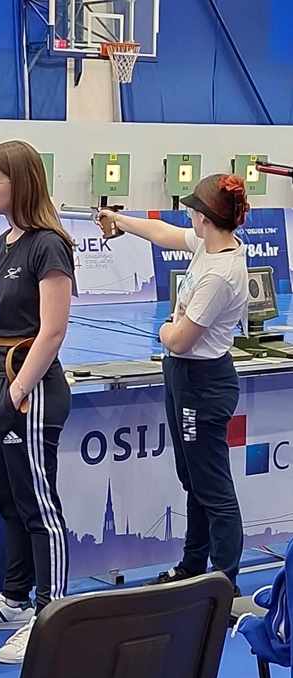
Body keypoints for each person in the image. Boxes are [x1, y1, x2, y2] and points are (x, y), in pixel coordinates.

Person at [0, 140, 76, 663]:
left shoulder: (49, 246)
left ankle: (51, 614)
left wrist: (18, 390)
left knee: (38, 505)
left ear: (19, 183)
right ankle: (15, 596)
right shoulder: (5, 241)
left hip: (28, 384)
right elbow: (0, 318)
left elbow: (52, 332)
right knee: (7, 499)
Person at [99, 174, 249, 593]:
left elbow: (180, 338)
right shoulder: (209, 245)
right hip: (185, 376)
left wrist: (165, 327)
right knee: (194, 480)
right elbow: (162, 233)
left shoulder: (219, 274)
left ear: (205, 217)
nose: (189, 216)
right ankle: (193, 567)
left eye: (193, 210)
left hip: (201, 381)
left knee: (212, 488)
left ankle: (223, 583)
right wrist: (118, 219)